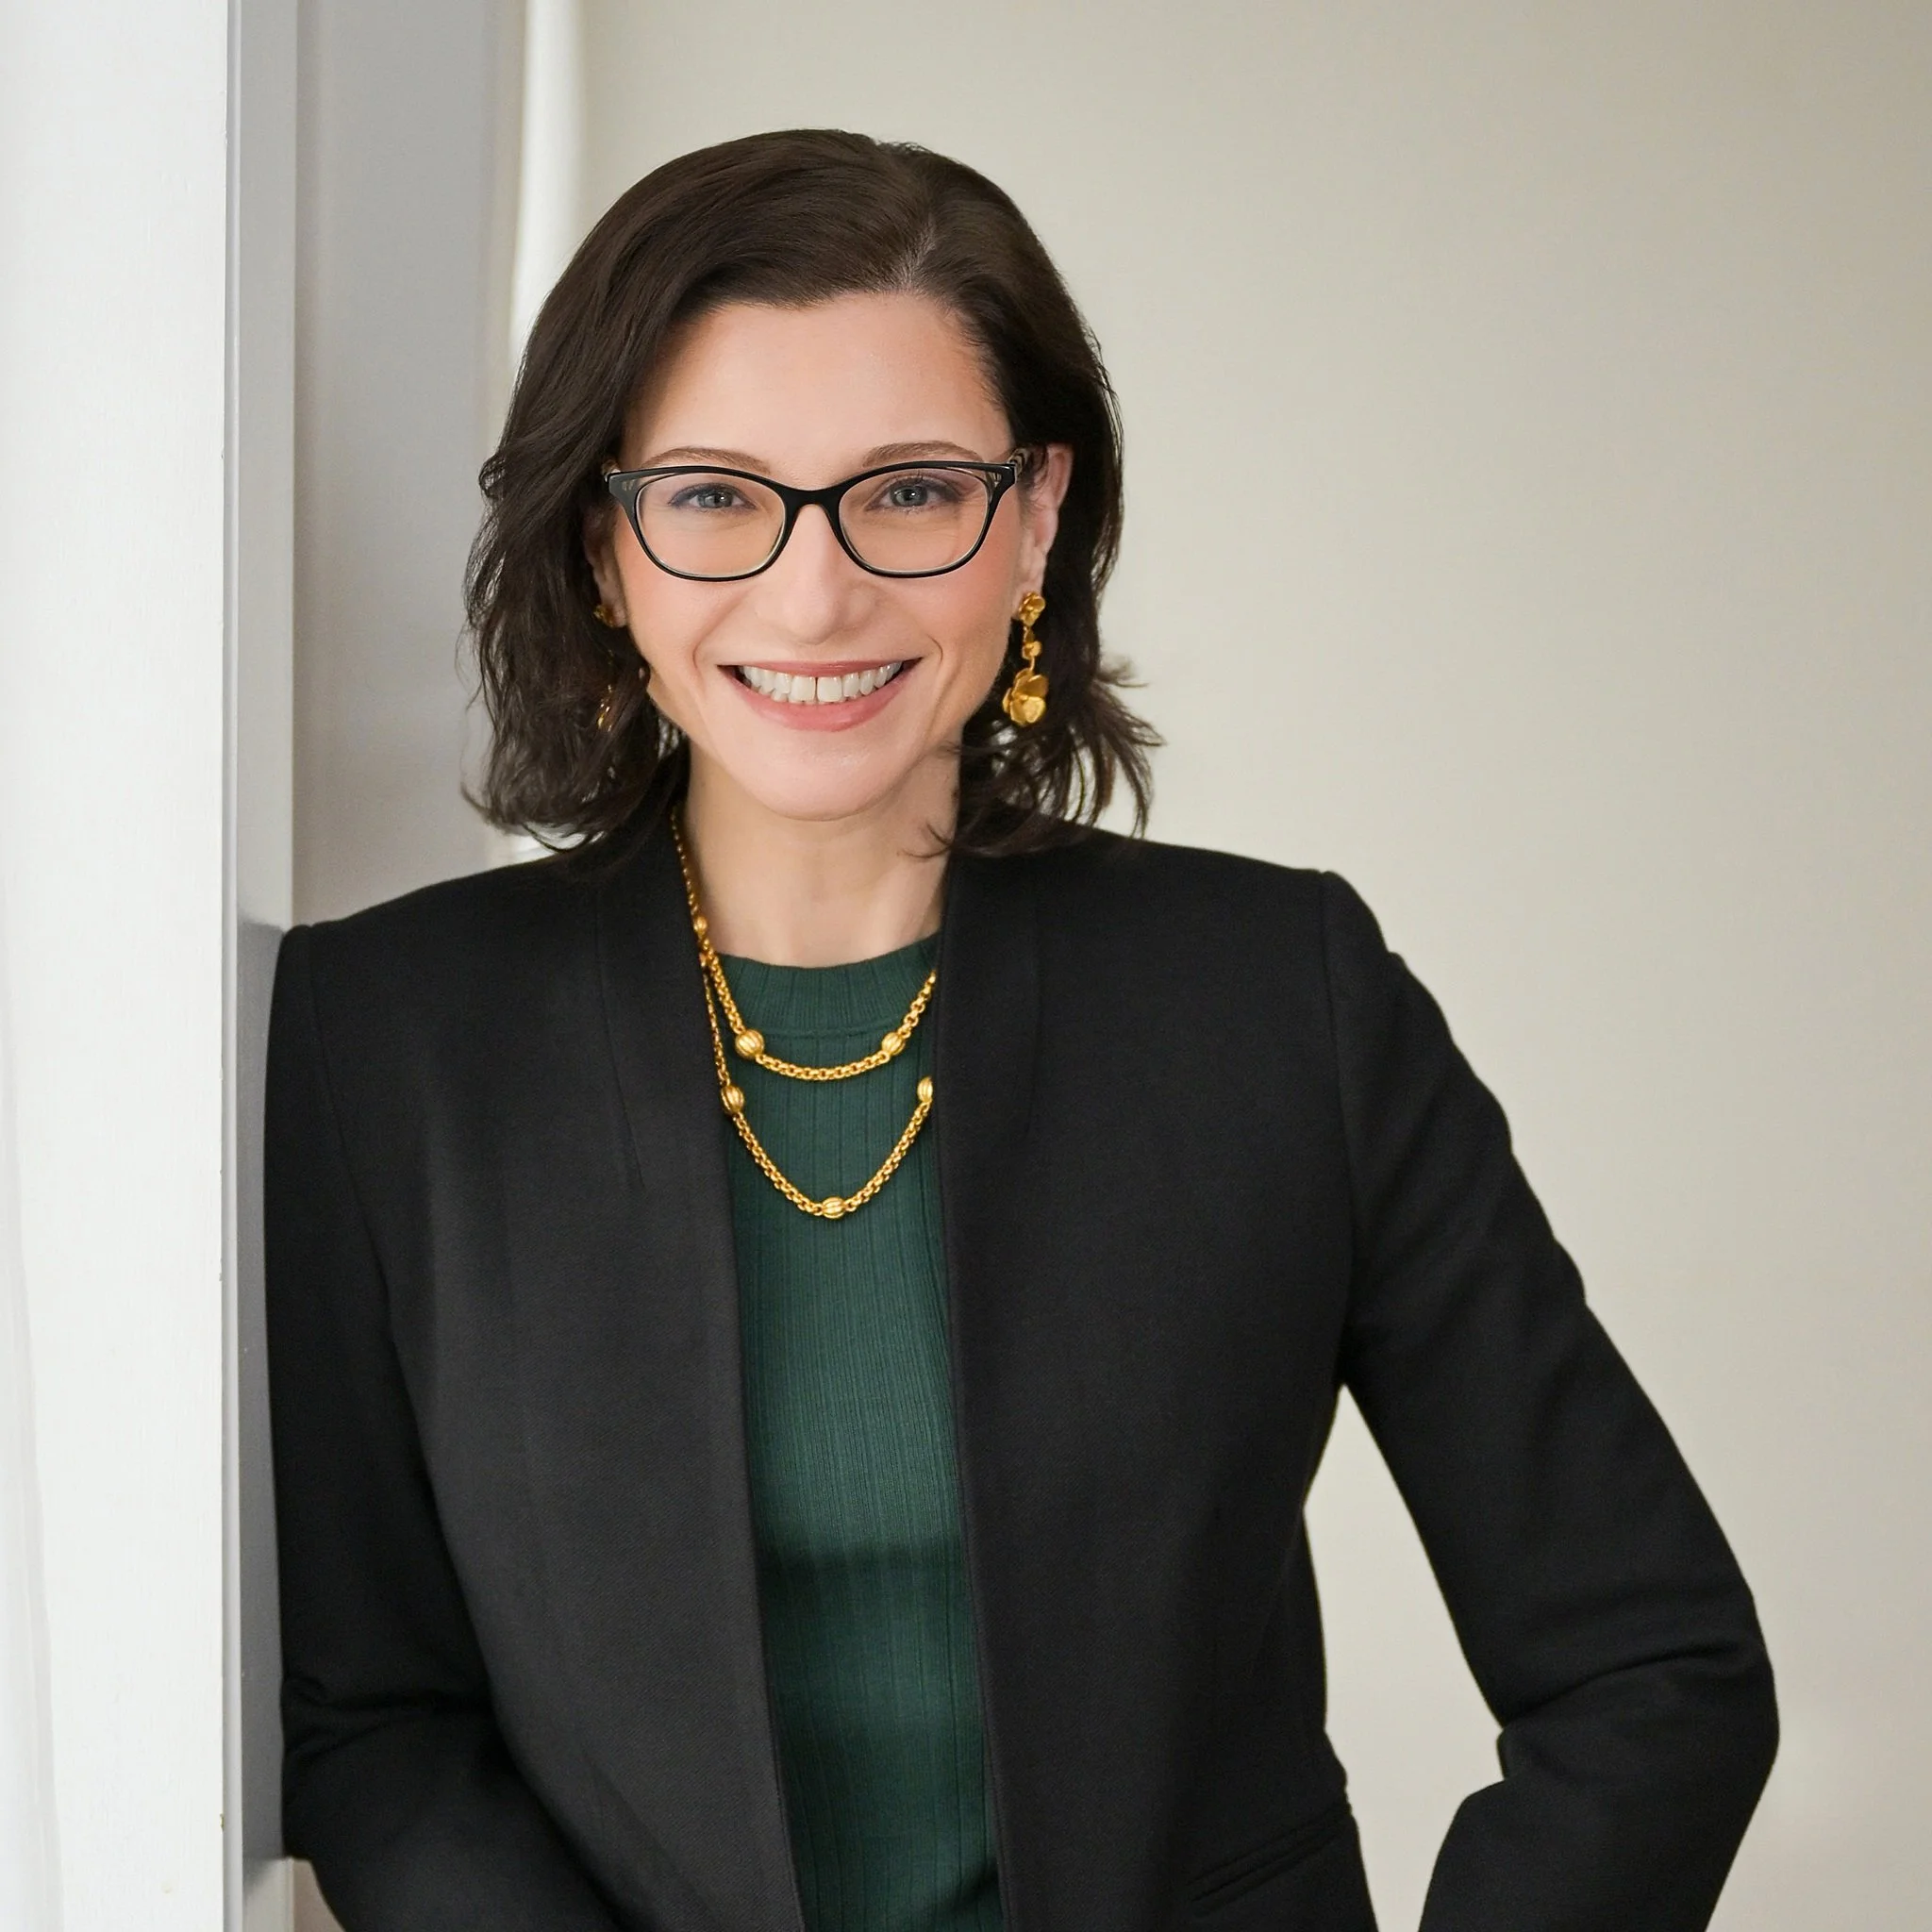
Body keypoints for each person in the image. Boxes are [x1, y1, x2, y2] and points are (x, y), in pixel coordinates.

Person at [265, 129, 1776, 1932]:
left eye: (909, 492)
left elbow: (1653, 1670)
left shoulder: (1280, 998)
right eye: (714, 495)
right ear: (606, 546)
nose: (813, 592)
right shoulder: (382, 1045)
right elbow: (374, 1720)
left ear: (1036, 518)